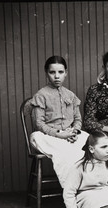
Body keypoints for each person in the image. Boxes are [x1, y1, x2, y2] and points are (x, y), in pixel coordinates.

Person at [29, 55, 89, 187]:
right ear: (46, 73)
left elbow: (78, 119)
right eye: (52, 72)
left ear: (66, 73)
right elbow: (39, 124)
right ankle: (71, 189)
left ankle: (87, 186)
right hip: (50, 135)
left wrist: (74, 131)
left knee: (91, 142)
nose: (57, 76)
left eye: (60, 72)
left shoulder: (70, 95)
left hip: (69, 134)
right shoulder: (41, 95)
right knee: (65, 151)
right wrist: (59, 134)